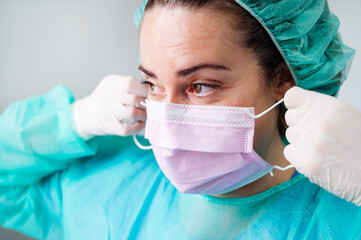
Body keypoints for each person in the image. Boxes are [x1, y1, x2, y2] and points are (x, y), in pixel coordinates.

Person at [0, 0, 360, 239]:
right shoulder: (109, 188)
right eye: (153, 84)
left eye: (200, 85)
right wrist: (70, 123)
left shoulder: (340, 216)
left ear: (284, 79)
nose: (168, 118)